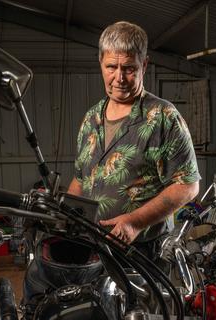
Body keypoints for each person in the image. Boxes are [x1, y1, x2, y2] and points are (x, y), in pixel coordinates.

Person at [67, 21, 200, 258]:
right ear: (101, 63)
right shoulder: (91, 118)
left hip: (142, 252)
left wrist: (135, 223)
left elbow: (187, 186)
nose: (119, 77)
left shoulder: (163, 117)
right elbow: (80, 179)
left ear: (144, 65)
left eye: (129, 68)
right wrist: (64, 216)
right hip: (93, 248)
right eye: (111, 67)